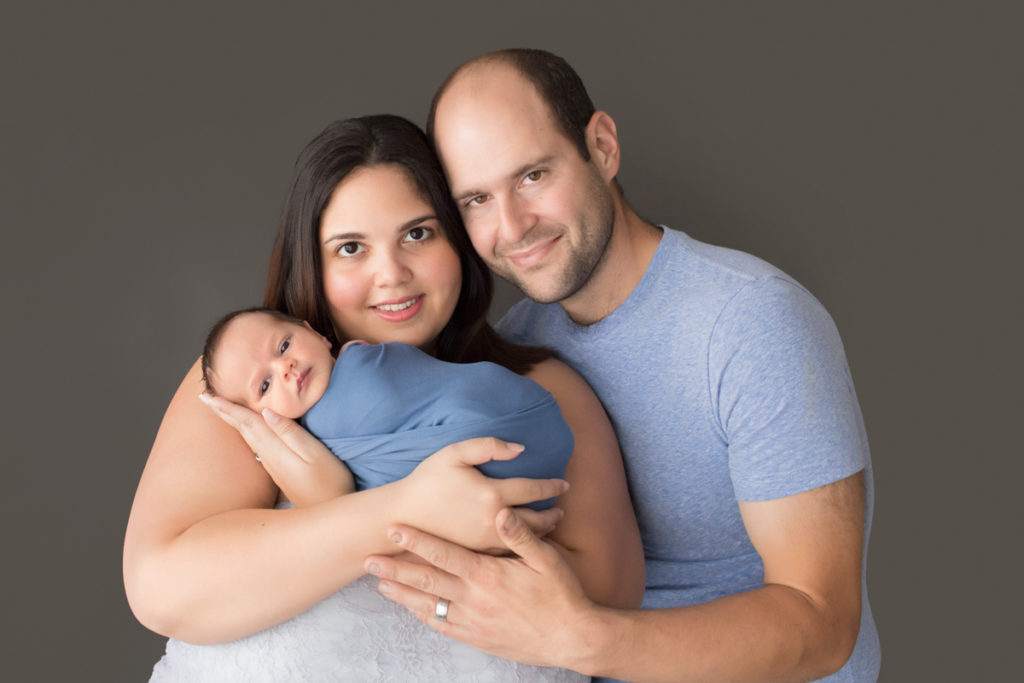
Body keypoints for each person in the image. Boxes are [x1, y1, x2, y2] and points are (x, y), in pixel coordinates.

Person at [364, 49, 881, 682]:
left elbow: (823, 624)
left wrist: (579, 640)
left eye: (531, 175)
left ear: (602, 148)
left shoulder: (751, 322)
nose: (512, 227)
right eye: (475, 199)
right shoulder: (516, 350)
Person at [125, 114, 643, 682]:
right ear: (312, 264)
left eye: (418, 234)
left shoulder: (538, 387)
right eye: (350, 248)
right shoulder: (250, 380)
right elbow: (164, 589)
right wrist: (407, 511)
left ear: (459, 239)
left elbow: (609, 598)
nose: (391, 274)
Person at [199, 307, 573, 507]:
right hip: (531, 457)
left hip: (516, 428)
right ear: (258, 415)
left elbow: (337, 503)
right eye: (264, 385)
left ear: (313, 332)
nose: (286, 368)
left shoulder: (363, 367)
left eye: (284, 347)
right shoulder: (302, 436)